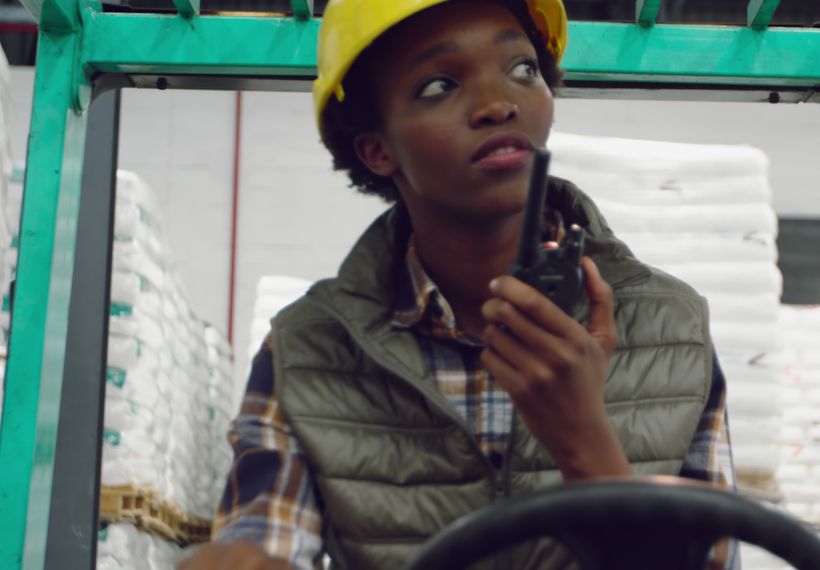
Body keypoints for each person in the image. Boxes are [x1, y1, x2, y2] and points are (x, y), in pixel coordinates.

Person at [181, 0, 736, 568]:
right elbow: (266, 536)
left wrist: (585, 444)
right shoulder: (310, 348)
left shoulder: (672, 329)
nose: (499, 105)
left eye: (523, 70)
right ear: (377, 149)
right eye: (439, 85)